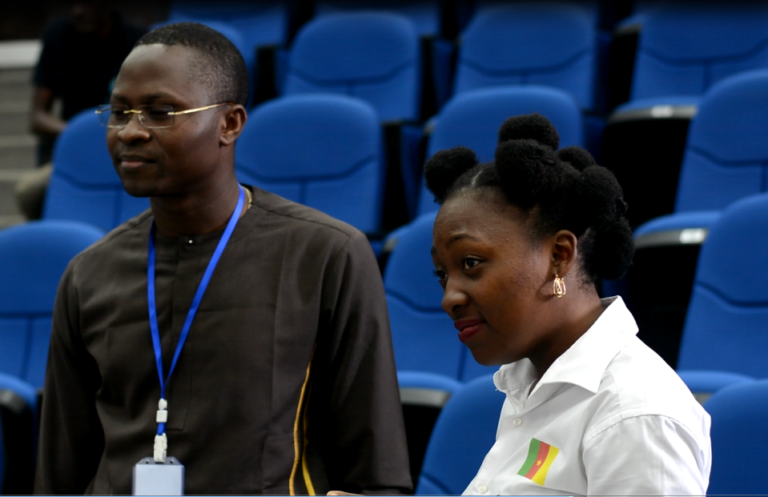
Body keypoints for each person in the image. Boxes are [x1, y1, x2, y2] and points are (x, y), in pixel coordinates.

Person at [34, 22, 412, 495]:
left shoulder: (325, 254)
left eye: (159, 112)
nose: (130, 132)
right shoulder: (88, 273)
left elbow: (377, 474)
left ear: (230, 123)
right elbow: (60, 474)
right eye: (118, 112)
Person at [424, 113, 711, 495]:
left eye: (471, 263)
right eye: (442, 274)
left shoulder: (633, 413)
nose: (449, 298)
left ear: (559, 255)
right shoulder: (532, 382)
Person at [16, 1, 145, 219]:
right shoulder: (58, 35)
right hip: (74, 152)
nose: (77, 12)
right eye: (71, 4)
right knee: (28, 191)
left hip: (127, 144)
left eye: (86, 3)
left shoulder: (136, 40)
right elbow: (38, 117)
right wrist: (80, 136)